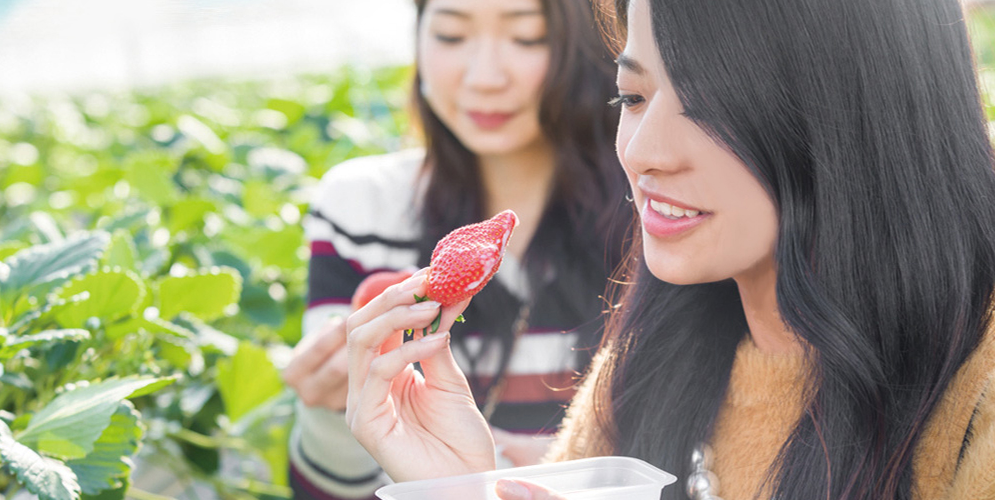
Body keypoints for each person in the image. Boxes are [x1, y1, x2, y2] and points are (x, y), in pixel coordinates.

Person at [344, 0, 995, 499]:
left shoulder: (977, 394)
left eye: (710, 105)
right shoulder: (655, 357)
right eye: (633, 97)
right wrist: (465, 487)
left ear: (865, 108)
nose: (644, 152)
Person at [282, 0, 630, 497]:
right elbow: (328, 491)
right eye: (450, 35)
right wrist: (330, 414)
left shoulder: (650, 210)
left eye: (527, 37)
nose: (484, 78)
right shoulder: (362, 210)